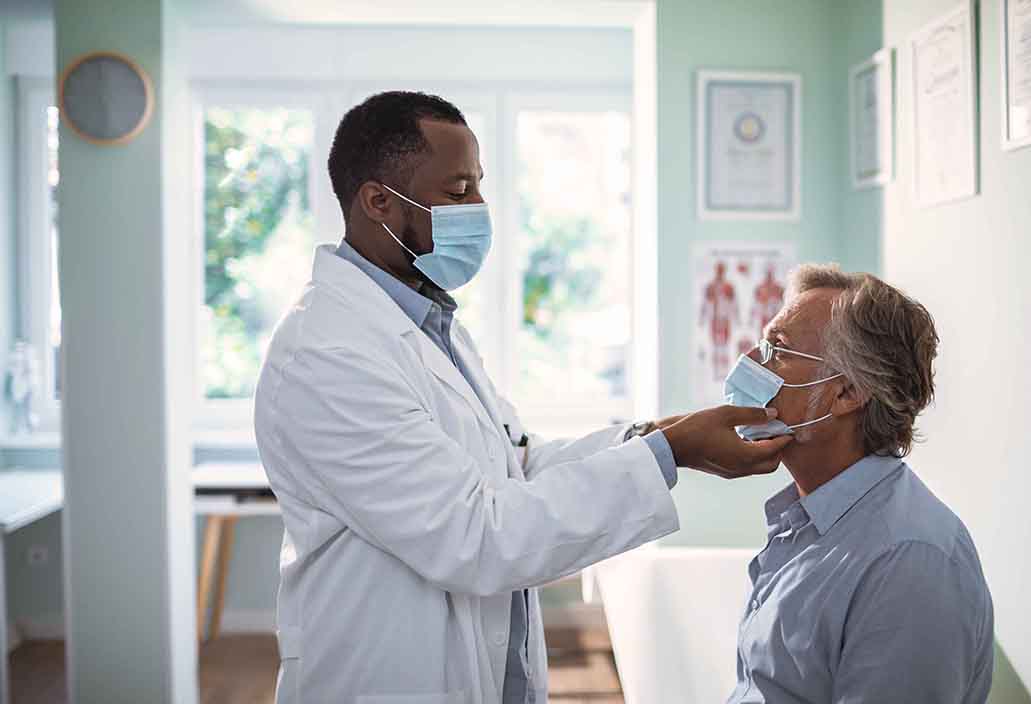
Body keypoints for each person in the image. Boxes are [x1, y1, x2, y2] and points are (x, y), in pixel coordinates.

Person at [253, 91, 791, 704]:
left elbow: (515, 465)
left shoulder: (430, 325)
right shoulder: (328, 353)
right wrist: (670, 452)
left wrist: (653, 437)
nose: (480, 209)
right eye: (458, 192)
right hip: (384, 678)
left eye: (480, 187)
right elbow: (476, 534)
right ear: (377, 202)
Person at [723, 264, 994, 703]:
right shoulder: (808, 523)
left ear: (847, 393)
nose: (751, 362)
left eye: (778, 350)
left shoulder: (911, 561)